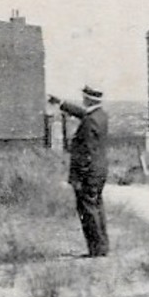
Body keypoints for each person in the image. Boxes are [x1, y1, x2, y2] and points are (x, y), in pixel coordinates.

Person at [48, 85, 109, 257]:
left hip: (88, 172)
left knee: (88, 210)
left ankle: (96, 251)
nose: (83, 100)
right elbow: (83, 114)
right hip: (99, 169)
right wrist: (62, 103)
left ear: (88, 99)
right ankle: (101, 247)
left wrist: (79, 177)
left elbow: (87, 151)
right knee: (96, 207)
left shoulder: (90, 120)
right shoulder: (100, 116)